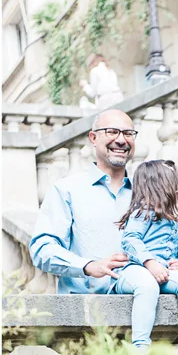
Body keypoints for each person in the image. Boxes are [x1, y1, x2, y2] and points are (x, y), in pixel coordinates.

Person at [30, 108, 137, 295]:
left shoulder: (147, 193)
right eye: (112, 132)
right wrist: (87, 266)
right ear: (93, 138)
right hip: (85, 308)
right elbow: (42, 250)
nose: (121, 140)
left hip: (143, 304)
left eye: (128, 133)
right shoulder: (67, 190)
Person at [113, 160, 178, 349]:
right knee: (147, 285)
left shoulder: (173, 220)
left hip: (160, 274)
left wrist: (175, 263)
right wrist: (150, 263)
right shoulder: (143, 213)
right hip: (133, 271)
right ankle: (140, 348)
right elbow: (130, 240)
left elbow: (172, 252)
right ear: (166, 186)